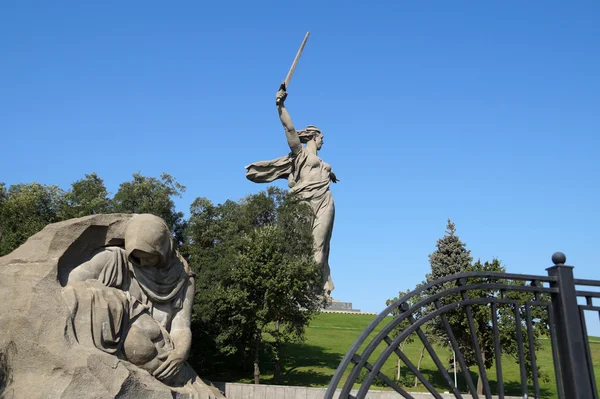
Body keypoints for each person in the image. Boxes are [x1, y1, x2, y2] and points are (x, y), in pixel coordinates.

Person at [64, 214, 195, 385]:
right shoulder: (114, 259)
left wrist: (180, 353)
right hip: (114, 350)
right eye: (136, 256)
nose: (142, 262)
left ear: (164, 249)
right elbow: (74, 286)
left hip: (161, 351)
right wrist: (119, 301)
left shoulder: (183, 279)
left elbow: (181, 326)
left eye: (149, 256)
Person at [245, 84, 337, 295]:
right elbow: (289, 129)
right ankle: (299, 290)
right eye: (321, 137)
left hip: (325, 201)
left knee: (320, 246)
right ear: (314, 136)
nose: (323, 141)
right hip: (303, 201)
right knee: (299, 245)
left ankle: (314, 290)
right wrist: (281, 106)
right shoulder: (301, 154)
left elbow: (323, 172)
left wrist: (329, 174)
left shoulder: (323, 162)